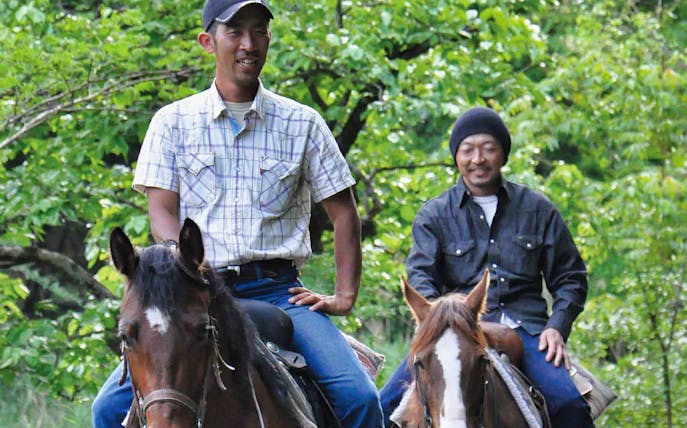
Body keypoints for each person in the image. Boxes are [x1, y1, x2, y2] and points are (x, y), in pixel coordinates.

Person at [91, 1, 383, 427]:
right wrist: (189, 268)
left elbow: (344, 214)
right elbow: (162, 214)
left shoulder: (303, 123)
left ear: (268, 39)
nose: (248, 44)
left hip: (279, 290)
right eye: (235, 32)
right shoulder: (171, 122)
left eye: (259, 31)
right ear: (209, 41)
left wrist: (343, 295)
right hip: (191, 295)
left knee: (359, 398)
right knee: (107, 410)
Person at [379, 107, 594, 428]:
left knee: (570, 406)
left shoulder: (537, 209)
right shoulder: (434, 215)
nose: (478, 159)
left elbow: (571, 278)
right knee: (381, 408)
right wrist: (438, 320)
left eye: (489, 148)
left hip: (528, 330)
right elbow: (421, 276)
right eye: (468, 150)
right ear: (456, 157)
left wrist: (556, 327)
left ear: (503, 155)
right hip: (454, 333)